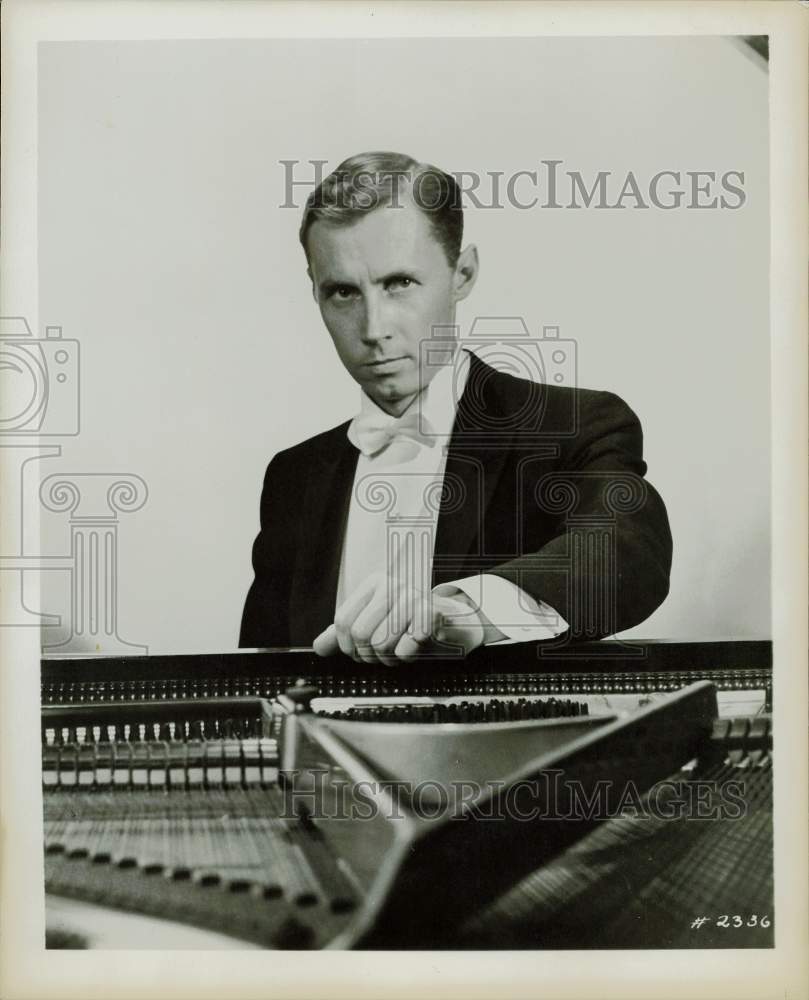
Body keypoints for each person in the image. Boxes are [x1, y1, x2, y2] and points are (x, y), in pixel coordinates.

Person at [239, 151, 672, 663]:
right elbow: (262, 682)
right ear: (314, 291)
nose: (374, 328)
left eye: (399, 283)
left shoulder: (571, 426)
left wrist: (466, 611)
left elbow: (627, 549)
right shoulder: (293, 476)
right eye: (342, 292)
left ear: (463, 274)